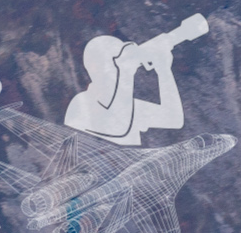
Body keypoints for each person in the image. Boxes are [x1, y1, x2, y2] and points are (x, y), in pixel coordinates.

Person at [64, 14, 208, 146]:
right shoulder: (80, 104)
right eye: (118, 59)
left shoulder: (128, 106)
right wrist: (125, 72)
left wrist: (164, 71)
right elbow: (117, 127)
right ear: (98, 67)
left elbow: (173, 119)